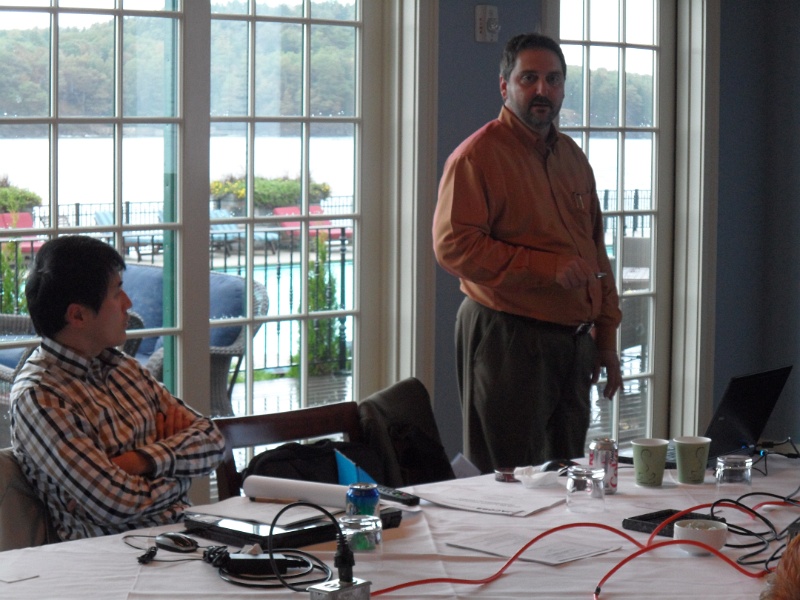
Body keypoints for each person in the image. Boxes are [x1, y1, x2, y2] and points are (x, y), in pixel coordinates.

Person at [433, 33, 623, 474]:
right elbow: (454, 247)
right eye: (529, 78)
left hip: (574, 345)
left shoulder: (572, 157)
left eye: (553, 80)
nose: (542, 90)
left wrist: (606, 338)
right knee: (509, 482)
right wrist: (547, 268)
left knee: (567, 478)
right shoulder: (477, 157)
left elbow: (596, 251)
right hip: (509, 338)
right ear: (505, 86)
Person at [11, 235, 225, 541]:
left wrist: (139, 461)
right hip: (117, 555)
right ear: (78, 315)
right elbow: (116, 504)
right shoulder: (41, 396)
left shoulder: (122, 368)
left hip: (186, 536)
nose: (128, 303)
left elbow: (213, 441)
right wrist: (182, 474)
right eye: (116, 293)